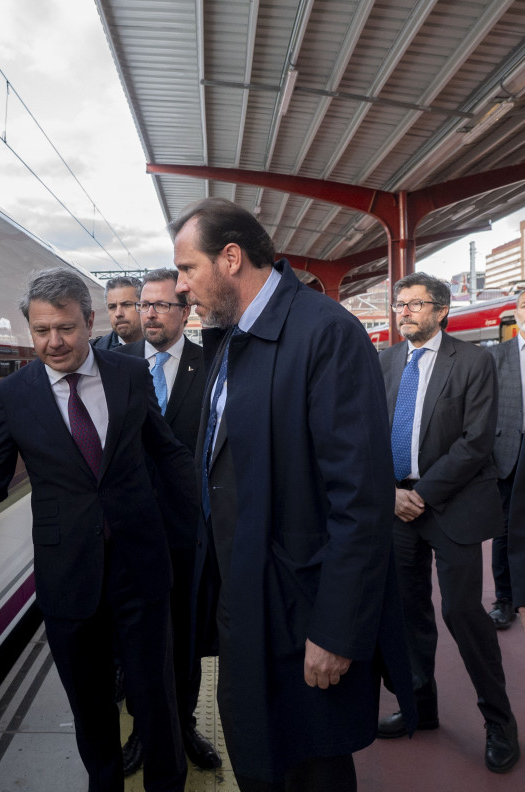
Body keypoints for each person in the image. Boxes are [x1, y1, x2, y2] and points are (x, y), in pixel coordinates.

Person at [0, 267, 196, 792]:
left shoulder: (128, 375)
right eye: (41, 331)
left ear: (89, 319)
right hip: (67, 577)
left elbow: (167, 455)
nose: (54, 343)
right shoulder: (14, 394)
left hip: (140, 570)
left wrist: (202, 527)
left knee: (156, 702)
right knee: (91, 709)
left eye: (66, 329)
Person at [172, 197, 416, 792]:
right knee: (259, 760)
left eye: (187, 270)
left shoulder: (325, 333)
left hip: (302, 615)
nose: (182, 288)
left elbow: (359, 500)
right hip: (247, 604)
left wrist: (336, 630)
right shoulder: (232, 339)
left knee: (312, 772)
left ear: (230, 258)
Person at [376, 272, 519, 774]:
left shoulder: (475, 361)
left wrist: (423, 494)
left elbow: (477, 441)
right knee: (408, 613)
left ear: (442, 311)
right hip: (397, 506)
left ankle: (499, 721)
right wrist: (393, 495)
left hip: (452, 504)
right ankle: (422, 707)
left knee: (462, 614)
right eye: (401, 304)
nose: (406, 311)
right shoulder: (386, 362)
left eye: (417, 304)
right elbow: (370, 432)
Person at [117, 268, 220, 775]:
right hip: (129, 534)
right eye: (144, 304)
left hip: (186, 533)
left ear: (184, 312)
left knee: (185, 637)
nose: (149, 313)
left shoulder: (213, 365)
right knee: (138, 642)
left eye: (160, 305)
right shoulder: (113, 366)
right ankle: (144, 728)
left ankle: (183, 726)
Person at [488, 292, 525, 629]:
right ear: (516, 313)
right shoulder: (497, 356)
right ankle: (505, 600)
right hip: (508, 452)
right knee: (503, 530)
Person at [92, 275, 142, 349]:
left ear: (144, 306)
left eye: (126, 305)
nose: (118, 314)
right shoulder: (94, 351)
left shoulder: (162, 347)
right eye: (112, 307)